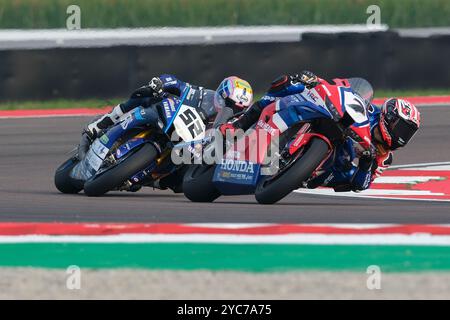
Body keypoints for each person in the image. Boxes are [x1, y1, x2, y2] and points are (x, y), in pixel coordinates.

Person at [219, 71, 421, 192]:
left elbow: (362, 185)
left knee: (347, 178)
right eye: (402, 127)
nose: (403, 135)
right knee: (288, 86)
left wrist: (367, 163)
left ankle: (299, 172)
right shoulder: (371, 111)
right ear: (389, 118)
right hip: (331, 124)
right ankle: (238, 125)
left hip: (337, 161)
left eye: (408, 132)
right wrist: (314, 80)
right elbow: (346, 93)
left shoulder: (384, 157)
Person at [85, 74, 253, 192]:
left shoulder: (231, 125)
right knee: (144, 95)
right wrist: (160, 82)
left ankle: (150, 179)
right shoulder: (202, 95)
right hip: (167, 120)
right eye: (228, 103)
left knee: (181, 183)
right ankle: (104, 122)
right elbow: (178, 83)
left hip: (184, 148)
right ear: (220, 94)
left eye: (236, 109)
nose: (229, 109)